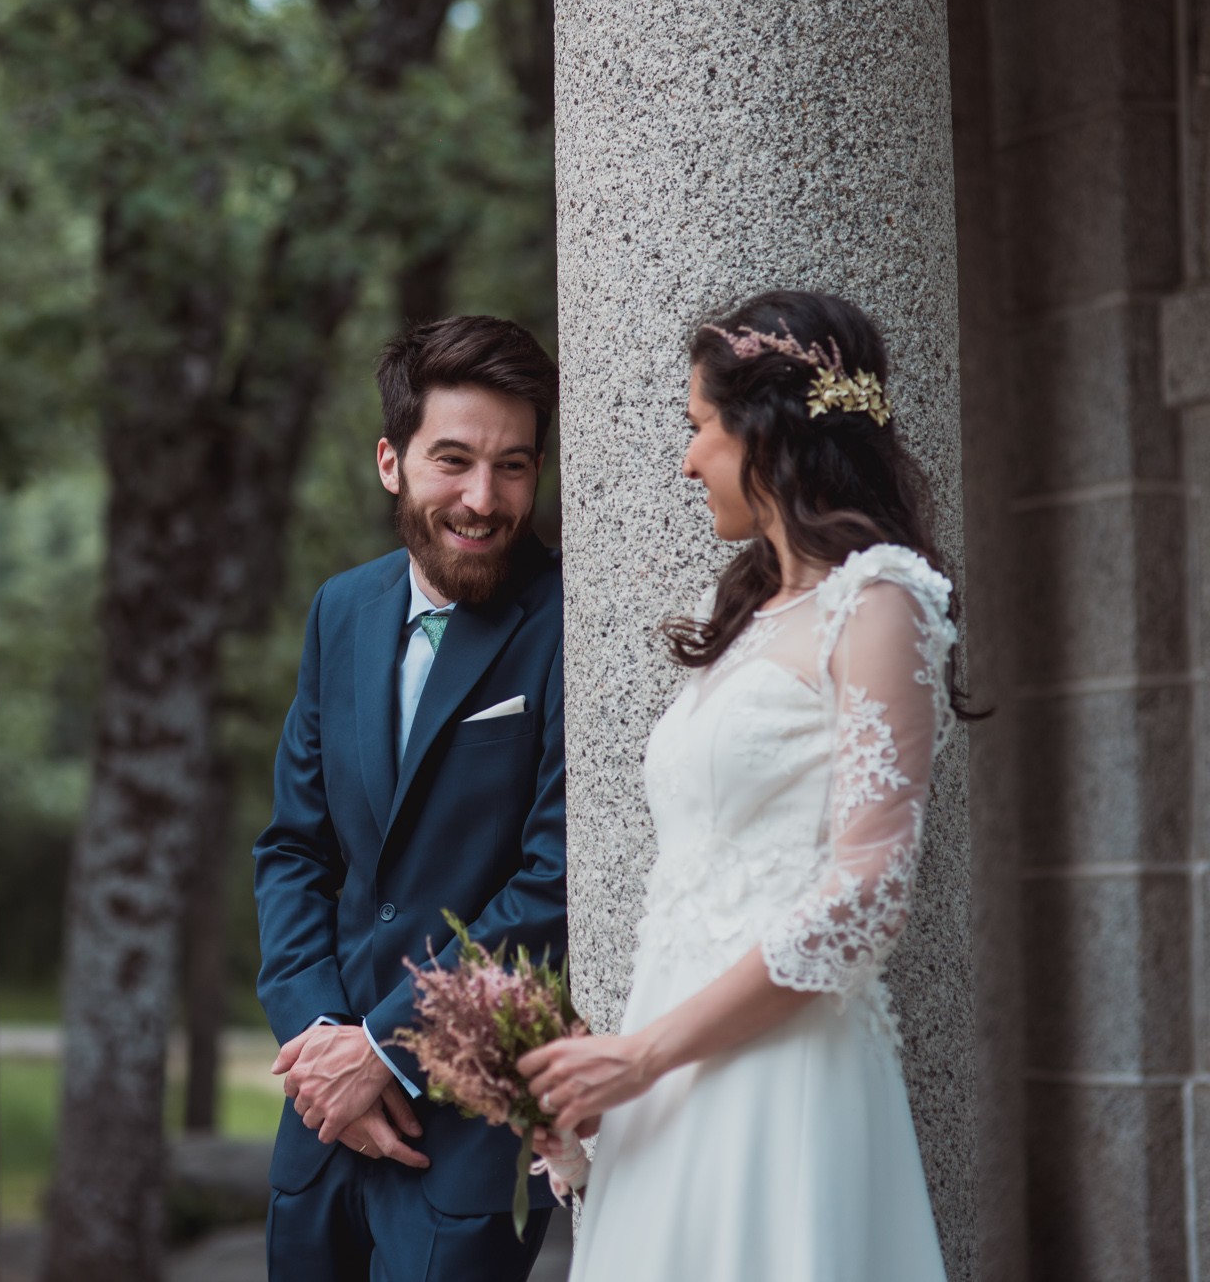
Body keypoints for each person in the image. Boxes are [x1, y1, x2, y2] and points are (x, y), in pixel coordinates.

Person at [519, 290, 960, 1281]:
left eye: (696, 429)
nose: (684, 461)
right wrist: (611, 1082)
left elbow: (868, 892)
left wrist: (645, 1054)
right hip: (669, 1075)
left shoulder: (879, 605)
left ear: (762, 431)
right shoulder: (749, 620)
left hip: (782, 1069)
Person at [255, 314, 568, 1280]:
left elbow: (556, 885)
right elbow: (296, 852)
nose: (484, 498)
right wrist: (320, 1040)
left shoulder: (568, 623)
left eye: (514, 465)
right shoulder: (340, 609)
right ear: (391, 461)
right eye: (454, 459)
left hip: (466, 1130)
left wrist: (387, 1053)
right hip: (320, 1122)